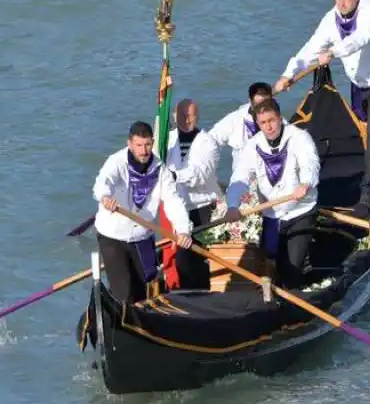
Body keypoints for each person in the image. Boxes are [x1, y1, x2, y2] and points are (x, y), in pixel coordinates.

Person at [274, 0, 370, 220]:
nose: (342, 3)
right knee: (362, 132)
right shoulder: (330, 20)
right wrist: (287, 74)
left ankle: (368, 194)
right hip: (359, 83)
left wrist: (333, 52)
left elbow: (359, 39)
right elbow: (310, 48)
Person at [93, 120, 193, 304]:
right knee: (124, 291)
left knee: (144, 286)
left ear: (152, 143)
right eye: (139, 145)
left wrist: (183, 229)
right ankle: (122, 322)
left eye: (147, 145)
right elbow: (103, 182)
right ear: (129, 144)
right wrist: (105, 197)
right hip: (112, 235)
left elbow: (173, 201)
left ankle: (142, 325)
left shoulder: (160, 169)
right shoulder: (116, 162)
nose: (143, 151)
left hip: (142, 234)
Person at [223, 98, 320, 288]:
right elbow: (240, 178)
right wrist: (232, 205)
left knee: (292, 265)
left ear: (279, 117)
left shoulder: (299, 137)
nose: (268, 127)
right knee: (269, 260)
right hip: (272, 214)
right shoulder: (253, 145)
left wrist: (306, 183)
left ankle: (294, 301)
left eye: (272, 120)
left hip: (300, 210)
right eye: (263, 123)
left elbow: (311, 164)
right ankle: (273, 301)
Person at [166, 99, 222, 290]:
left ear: (197, 117)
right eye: (182, 114)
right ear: (174, 116)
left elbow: (200, 175)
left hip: (204, 208)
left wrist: (173, 175)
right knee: (181, 261)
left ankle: (204, 296)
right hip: (177, 209)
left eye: (190, 115)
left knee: (197, 260)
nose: (186, 119)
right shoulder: (165, 140)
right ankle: (187, 295)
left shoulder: (208, 143)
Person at [208, 82, 280, 168]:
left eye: (266, 104)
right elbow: (210, 140)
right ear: (250, 101)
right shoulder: (235, 119)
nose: (262, 108)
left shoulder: (279, 122)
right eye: (259, 104)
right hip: (243, 176)